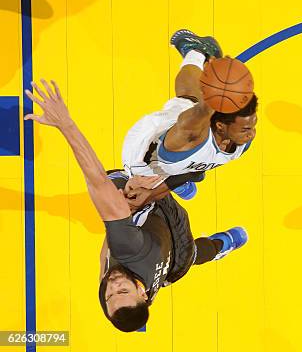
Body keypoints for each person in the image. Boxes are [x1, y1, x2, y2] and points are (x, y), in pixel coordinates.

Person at [25, 79, 248, 332]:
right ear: (143, 294)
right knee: (119, 184)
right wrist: (65, 123)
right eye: (121, 289)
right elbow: (96, 179)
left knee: (185, 254)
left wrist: (116, 224)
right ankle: (180, 187)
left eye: (109, 295)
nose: (112, 286)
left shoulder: (120, 302)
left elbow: (105, 262)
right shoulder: (129, 248)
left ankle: (196, 206)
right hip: (169, 235)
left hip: (164, 260)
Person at [121, 30, 258, 207]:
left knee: (188, 98)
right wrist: (217, 81)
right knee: (190, 102)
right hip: (146, 156)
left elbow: (194, 170)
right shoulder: (188, 132)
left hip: (185, 150)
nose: (251, 134)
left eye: (252, 126)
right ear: (220, 126)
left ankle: (197, 51)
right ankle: (198, 56)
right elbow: (200, 112)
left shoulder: (241, 143)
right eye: (246, 129)